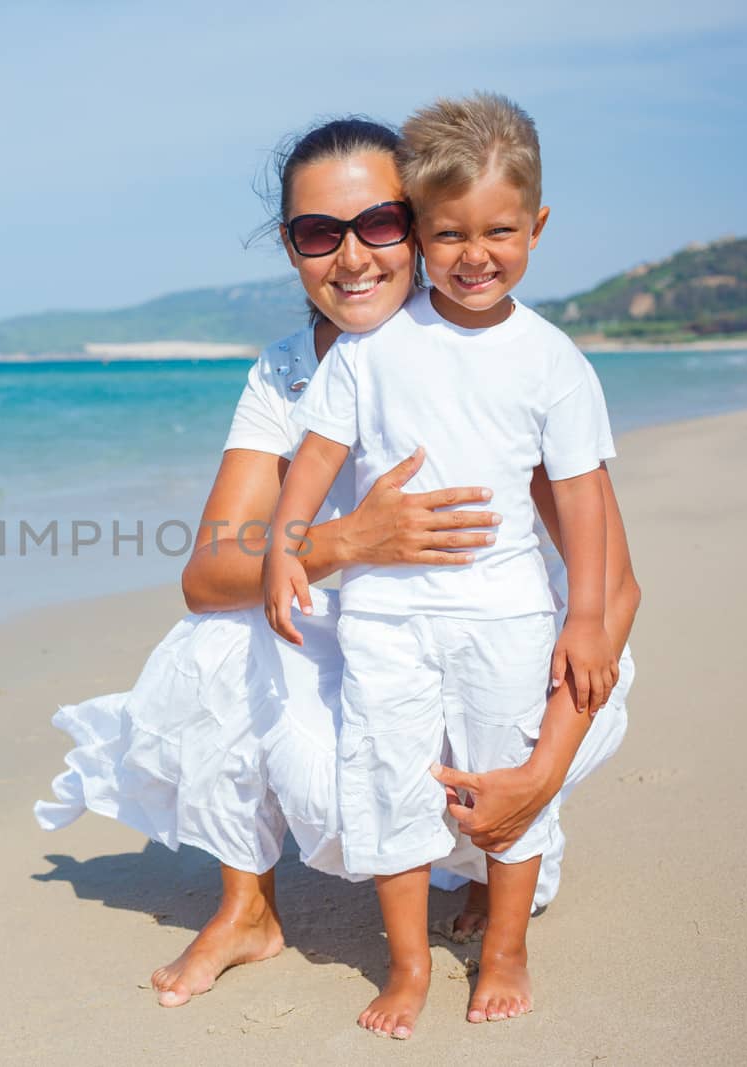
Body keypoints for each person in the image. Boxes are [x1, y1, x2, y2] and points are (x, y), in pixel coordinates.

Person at [35, 114, 640, 1013]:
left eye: (382, 223)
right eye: (319, 233)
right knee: (221, 639)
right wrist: (351, 539)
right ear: (291, 247)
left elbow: (615, 584)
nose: (351, 257)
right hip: (371, 638)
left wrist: (539, 776)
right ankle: (247, 908)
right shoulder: (290, 376)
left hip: (502, 638)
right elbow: (208, 572)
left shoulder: (506, 363)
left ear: (423, 220)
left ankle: (490, 861)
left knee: (490, 748)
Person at [264, 92, 617, 1038]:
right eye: (450, 233)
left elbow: (580, 501)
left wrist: (586, 616)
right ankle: (411, 962)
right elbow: (319, 457)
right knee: (391, 775)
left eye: (500, 231)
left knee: (501, 775)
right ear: (419, 234)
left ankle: (503, 948)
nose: (475, 254)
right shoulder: (376, 348)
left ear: (536, 227)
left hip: (505, 610)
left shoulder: (553, 361)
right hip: (385, 616)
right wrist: (289, 549)